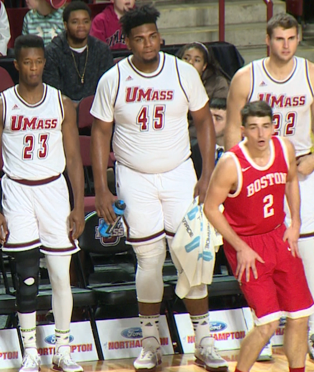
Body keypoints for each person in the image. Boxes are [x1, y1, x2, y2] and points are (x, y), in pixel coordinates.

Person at [90, 5, 228, 371]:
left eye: (153, 36)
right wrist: (102, 188)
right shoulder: (113, 78)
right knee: (149, 259)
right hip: (134, 176)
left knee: (192, 255)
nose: (148, 43)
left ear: (159, 36)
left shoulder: (183, 72)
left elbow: (203, 120)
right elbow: (100, 132)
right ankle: (150, 340)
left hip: (180, 171)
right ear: (128, 42)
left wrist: (207, 172)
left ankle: (204, 340)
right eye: (139, 38)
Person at [0, 35, 84, 372]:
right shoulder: (1, 104)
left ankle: (63, 347)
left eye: (39, 61)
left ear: (45, 62)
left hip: (54, 191)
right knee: (27, 277)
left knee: (61, 275)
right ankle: (30, 351)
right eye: (27, 62)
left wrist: (77, 206)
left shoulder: (62, 103)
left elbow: (74, 158)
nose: (33, 68)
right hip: (17, 192)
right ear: (16, 64)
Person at [224, 13, 314, 357]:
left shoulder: (309, 72)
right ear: (267, 39)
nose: (286, 45)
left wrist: (312, 159)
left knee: (303, 251)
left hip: (300, 166)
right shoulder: (246, 77)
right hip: (255, 170)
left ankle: (305, 328)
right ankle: (262, 324)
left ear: (299, 38)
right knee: (257, 254)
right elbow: (233, 129)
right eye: (279, 39)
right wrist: (241, 169)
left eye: (291, 38)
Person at [204, 101, 313, 372]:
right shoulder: (231, 163)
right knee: (267, 325)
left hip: (279, 235)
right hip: (247, 245)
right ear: (243, 130)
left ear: (274, 127)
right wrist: (239, 246)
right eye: (253, 128)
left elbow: (290, 181)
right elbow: (209, 208)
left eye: (266, 126)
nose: (261, 134)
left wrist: (295, 221)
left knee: (300, 316)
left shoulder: (284, 147)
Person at [44, 1, 113, 103]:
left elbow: (108, 87)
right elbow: (52, 91)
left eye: (85, 21)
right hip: (63, 109)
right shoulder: (53, 51)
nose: (81, 26)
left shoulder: (101, 50)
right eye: (75, 22)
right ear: (65, 25)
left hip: (96, 107)